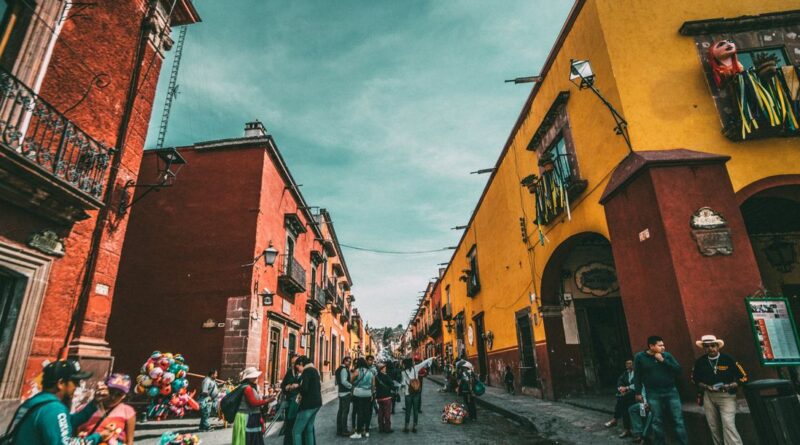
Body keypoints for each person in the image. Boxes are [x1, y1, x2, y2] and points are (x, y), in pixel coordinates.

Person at [6, 359, 111, 444]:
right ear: (61, 383)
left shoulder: (35, 401)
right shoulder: (53, 409)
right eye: (75, 382)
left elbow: (68, 422)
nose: (78, 386)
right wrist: (97, 437)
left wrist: (94, 403)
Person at [691, 335, 747, 445]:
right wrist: (706, 387)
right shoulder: (700, 362)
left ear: (718, 346)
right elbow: (694, 379)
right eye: (707, 346)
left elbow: (744, 377)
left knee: (728, 424)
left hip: (727, 396)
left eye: (713, 345)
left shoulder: (728, 359)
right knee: (713, 426)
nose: (710, 348)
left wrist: (730, 385)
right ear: (704, 348)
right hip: (709, 396)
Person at [633, 335, 688, 445]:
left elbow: (678, 370)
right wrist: (638, 393)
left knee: (678, 420)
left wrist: (663, 360)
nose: (663, 347)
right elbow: (637, 376)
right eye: (660, 345)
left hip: (671, 391)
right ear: (651, 346)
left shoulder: (666, 355)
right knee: (657, 421)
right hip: (653, 393)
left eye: (663, 345)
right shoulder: (640, 357)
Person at [76, 373, 136, 445]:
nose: (113, 397)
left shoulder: (128, 412)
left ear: (124, 396)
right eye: (111, 391)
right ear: (104, 388)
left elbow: (129, 442)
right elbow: (73, 434)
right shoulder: (85, 409)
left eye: (119, 394)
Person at [232, 367, 273, 445]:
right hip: (246, 416)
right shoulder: (247, 388)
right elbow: (253, 403)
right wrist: (267, 400)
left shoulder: (252, 387)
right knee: (248, 439)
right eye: (254, 376)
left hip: (251, 416)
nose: (256, 378)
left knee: (252, 438)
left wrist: (265, 399)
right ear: (249, 378)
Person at [293, 355, 322, 445]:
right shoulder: (314, 370)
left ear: (301, 364)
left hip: (308, 405)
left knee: (296, 431)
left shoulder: (306, 371)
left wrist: (297, 386)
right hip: (317, 403)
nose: (298, 371)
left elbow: (304, 389)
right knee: (308, 430)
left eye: (298, 368)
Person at [401, 356, 433, 433]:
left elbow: (403, 384)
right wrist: (431, 358)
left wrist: (404, 392)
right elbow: (424, 363)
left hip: (408, 393)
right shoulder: (416, 368)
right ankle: (415, 426)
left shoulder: (403, 372)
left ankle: (407, 426)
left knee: (408, 410)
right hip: (416, 393)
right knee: (415, 410)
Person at [604, 359, 635, 438]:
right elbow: (619, 382)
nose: (629, 365)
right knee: (623, 402)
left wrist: (627, 388)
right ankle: (626, 429)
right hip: (627, 395)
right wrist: (620, 388)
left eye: (630, 363)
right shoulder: (625, 374)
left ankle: (615, 420)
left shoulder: (638, 373)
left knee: (622, 401)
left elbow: (637, 384)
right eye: (627, 364)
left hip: (636, 394)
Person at [349, 357, 376, 439]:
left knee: (359, 413)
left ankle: (359, 432)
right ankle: (367, 431)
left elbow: (351, 380)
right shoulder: (370, 372)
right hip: (368, 394)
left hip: (358, 393)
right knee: (367, 413)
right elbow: (373, 385)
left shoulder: (357, 371)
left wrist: (356, 383)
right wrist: (371, 394)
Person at [280, 354, 301, 445]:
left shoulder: (304, 373)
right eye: (292, 363)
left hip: (301, 405)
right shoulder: (289, 372)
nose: (293, 365)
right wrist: (287, 387)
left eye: (295, 363)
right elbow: (283, 386)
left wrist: (298, 385)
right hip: (290, 403)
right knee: (289, 426)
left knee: (299, 427)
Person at [375, 362, 399, 433]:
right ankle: (387, 428)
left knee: (380, 413)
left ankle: (381, 427)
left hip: (379, 397)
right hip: (386, 397)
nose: (385, 369)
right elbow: (392, 385)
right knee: (387, 413)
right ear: (381, 369)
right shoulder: (386, 376)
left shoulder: (376, 377)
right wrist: (396, 388)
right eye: (384, 368)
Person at [334, 356, 353, 437]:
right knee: (345, 412)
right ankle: (344, 430)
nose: (349, 363)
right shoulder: (344, 369)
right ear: (344, 361)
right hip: (345, 393)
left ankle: (339, 430)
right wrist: (351, 386)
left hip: (341, 392)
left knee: (340, 412)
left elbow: (336, 382)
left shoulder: (338, 369)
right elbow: (344, 381)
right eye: (348, 361)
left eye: (350, 362)